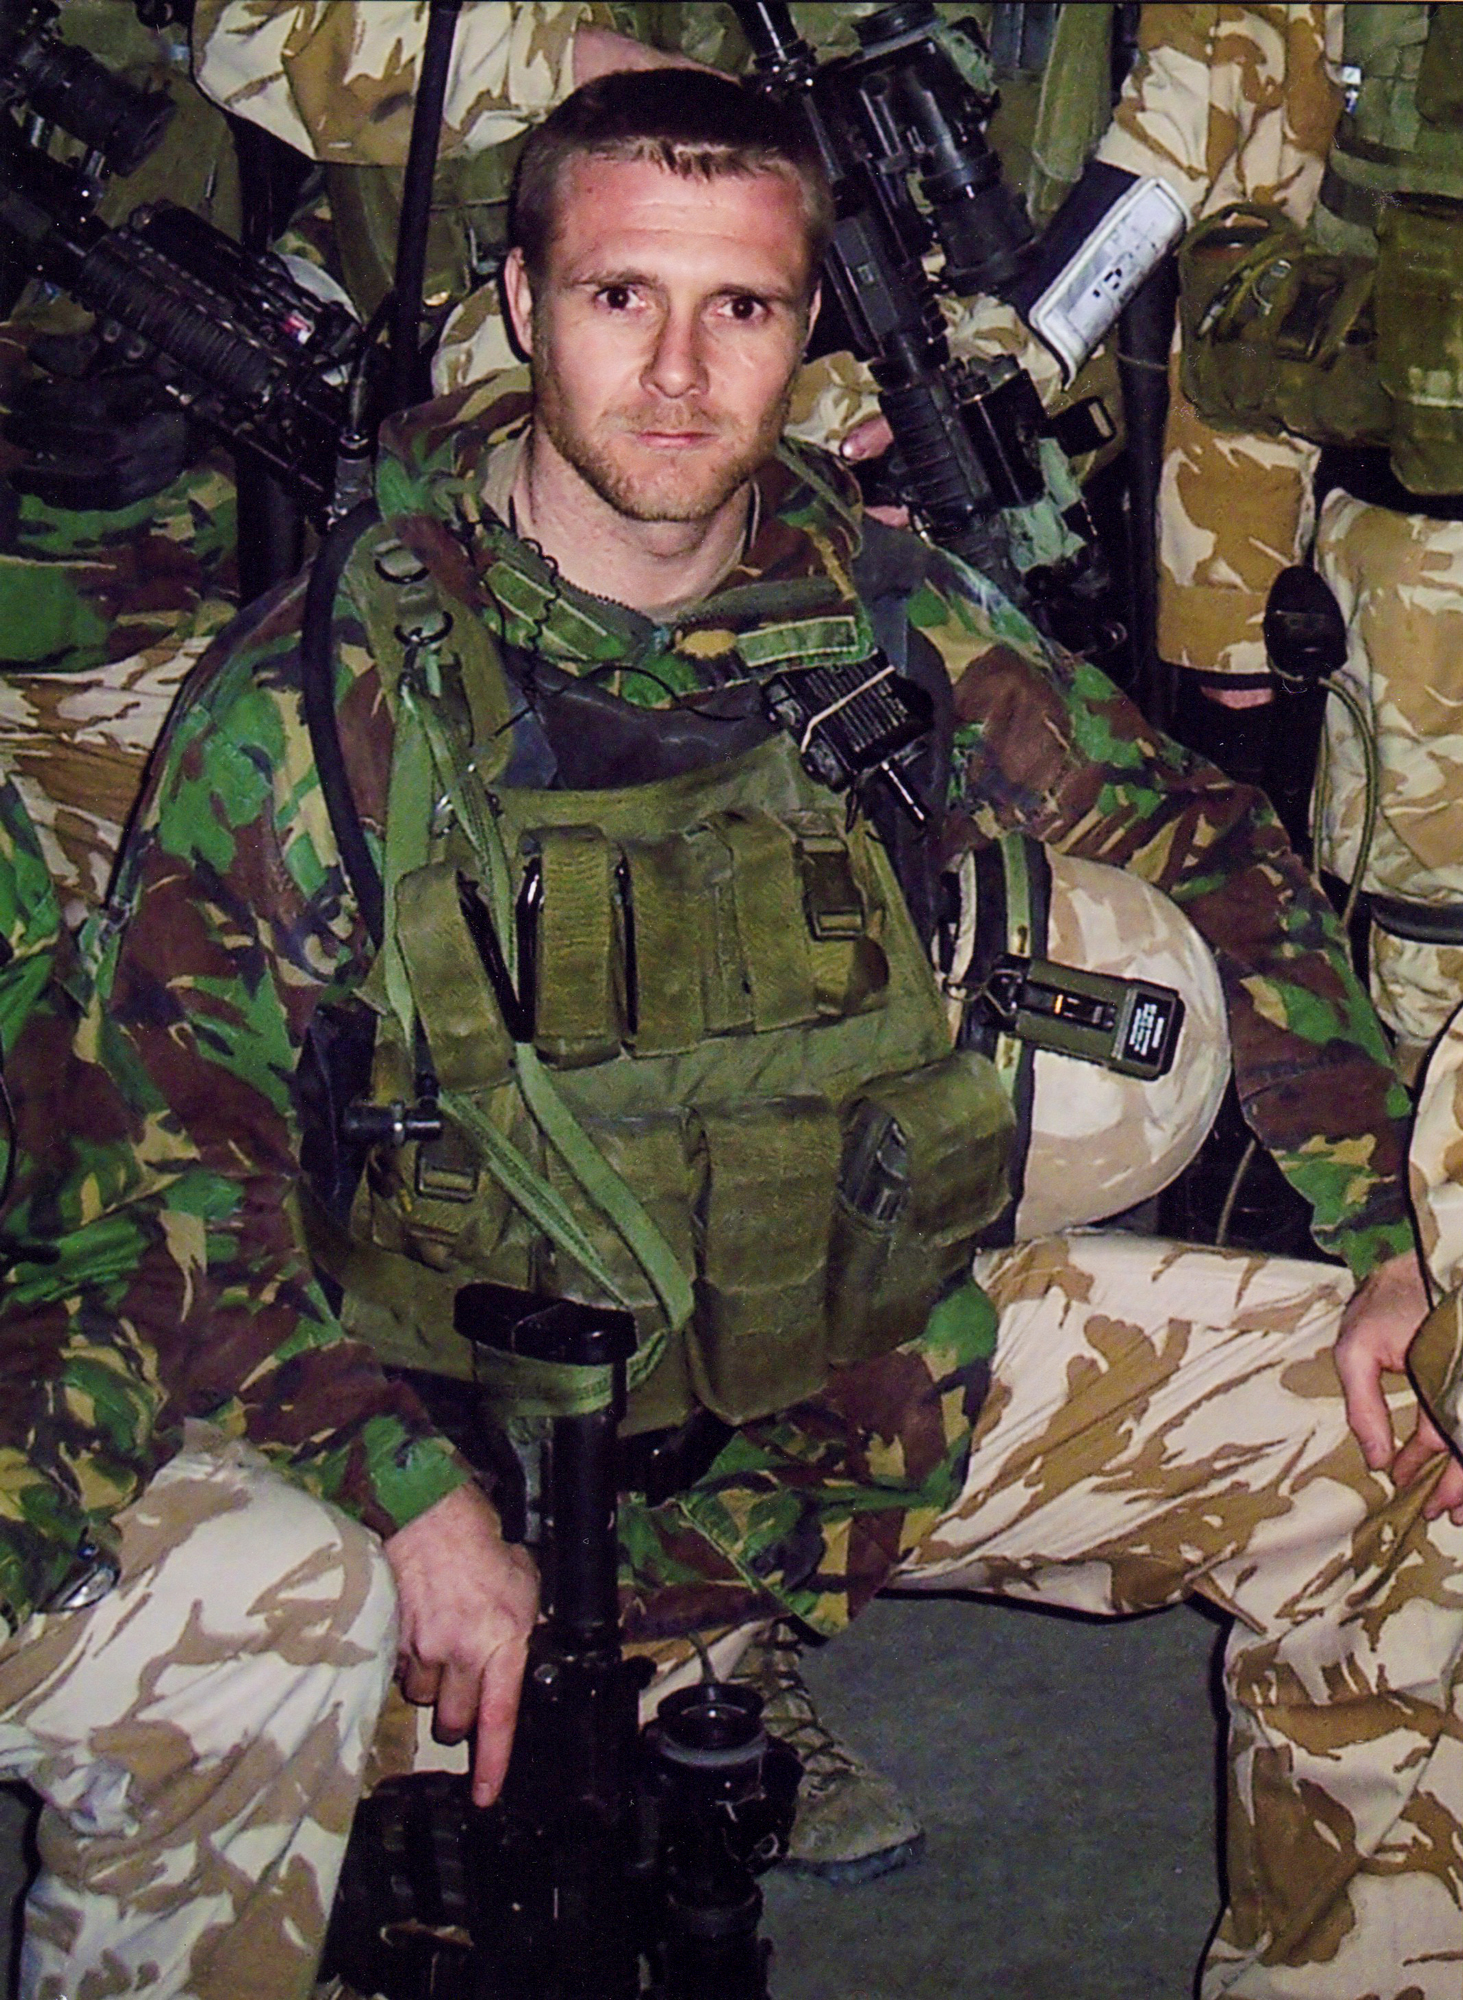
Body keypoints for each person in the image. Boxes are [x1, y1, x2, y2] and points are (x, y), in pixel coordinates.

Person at [2, 65, 1460, 2000]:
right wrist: (413, 1508)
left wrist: (1389, 1238)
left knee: (1395, 1450)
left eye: (742, 306)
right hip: (462, 1476)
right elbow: (167, 1188)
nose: (680, 372)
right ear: (524, 307)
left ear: (806, 325)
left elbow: (1210, 850)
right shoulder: (316, 703)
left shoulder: (877, 614)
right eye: (623, 296)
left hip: (858, 1393)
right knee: (301, 1751)